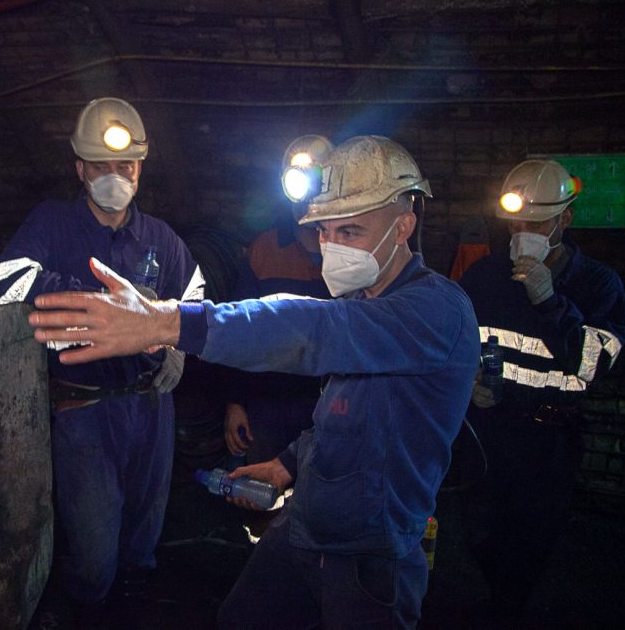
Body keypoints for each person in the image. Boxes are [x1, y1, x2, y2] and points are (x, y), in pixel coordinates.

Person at [26, 135, 480, 629]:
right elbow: (346, 415)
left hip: (370, 551)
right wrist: (286, 465)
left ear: (403, 227)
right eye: (324, 231)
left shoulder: (436, 310)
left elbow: (312, 329)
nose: (331, 246)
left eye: (350, 231)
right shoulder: (363, 301)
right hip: (307, 526)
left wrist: (167, 322)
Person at [0, 98, 204, 612]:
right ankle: (85, 608)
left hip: (151, 407)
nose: (116, 175)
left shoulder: (160, 239)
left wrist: (177, 343)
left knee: (142, 531)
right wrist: (99, 306)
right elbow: (6, 282)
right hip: (85, 411)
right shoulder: (52, 224)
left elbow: (196, 297)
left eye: (126, 165)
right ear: (80, 169)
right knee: (92, 549)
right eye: (102, 165)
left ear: (140, 170)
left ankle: (130, 606)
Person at [457, 159, 625, 621]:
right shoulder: (483, 277)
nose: (524, 230)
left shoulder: (598, 285)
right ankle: (496, 604)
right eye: (517, 222)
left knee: (531, 544)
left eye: (537, 222)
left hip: (549, 441)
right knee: (480, 535)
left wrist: (550, 300)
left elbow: (593, 365)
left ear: (564, 220)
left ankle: (510, 612)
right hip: (490, 431)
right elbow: (455, 346)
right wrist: (468, 385)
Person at [222, 135, 333, 474]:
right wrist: (235, 402)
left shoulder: (349, 250)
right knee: (261, 500)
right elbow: (237, 329)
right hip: (268, 404)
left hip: (329, 405)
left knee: (319, 499)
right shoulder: (265, 248)